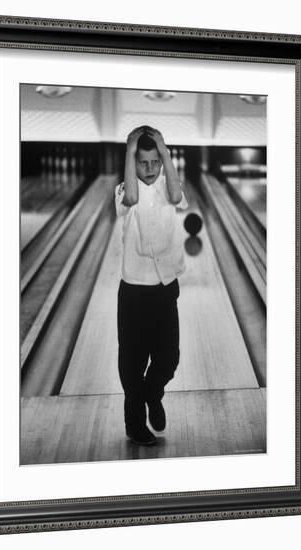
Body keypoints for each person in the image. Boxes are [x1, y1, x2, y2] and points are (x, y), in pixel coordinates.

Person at [115, 125, 189, 446]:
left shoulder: (168, 188)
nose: (148, 169)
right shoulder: (123, 190)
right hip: (133, 292)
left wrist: (164, 149)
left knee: (169, 357)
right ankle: (135, 425)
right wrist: (130, 150)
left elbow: (176, 195)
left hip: (164, 287)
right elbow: (132, 196)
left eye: (153, 162)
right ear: (134, 163)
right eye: (142, 163)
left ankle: (152, 395)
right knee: (133, 363)